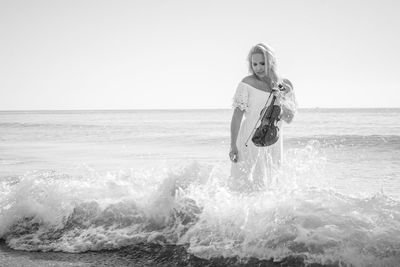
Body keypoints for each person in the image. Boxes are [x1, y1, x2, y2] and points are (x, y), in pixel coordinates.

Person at [229, 43, 297, 192]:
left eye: (262, 63)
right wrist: (233, 146)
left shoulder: (285, 85)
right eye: (254, 64)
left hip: (273, 140)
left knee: (271, 185)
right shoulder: (246, 84)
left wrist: (281, 97)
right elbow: (237, 117)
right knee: (246, 185)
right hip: (249, 140)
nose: (258, 67)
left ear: (271, 62)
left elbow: (289, 117)